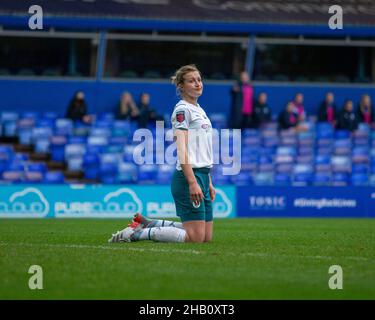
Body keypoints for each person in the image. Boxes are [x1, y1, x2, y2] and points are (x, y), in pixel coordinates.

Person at [108, 64, 216, 244]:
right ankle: (135, 234)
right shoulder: (182, 110)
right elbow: (182, 149)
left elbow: (202, 150)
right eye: (191, 81)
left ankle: (150, 223)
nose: (198, 83)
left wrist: (209, 182)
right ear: (181, 86)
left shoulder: (200, 110)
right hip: (189, 176)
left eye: (199, 79)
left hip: (203, 175)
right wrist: (192, 182)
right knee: (195, 238)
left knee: (206, 237)